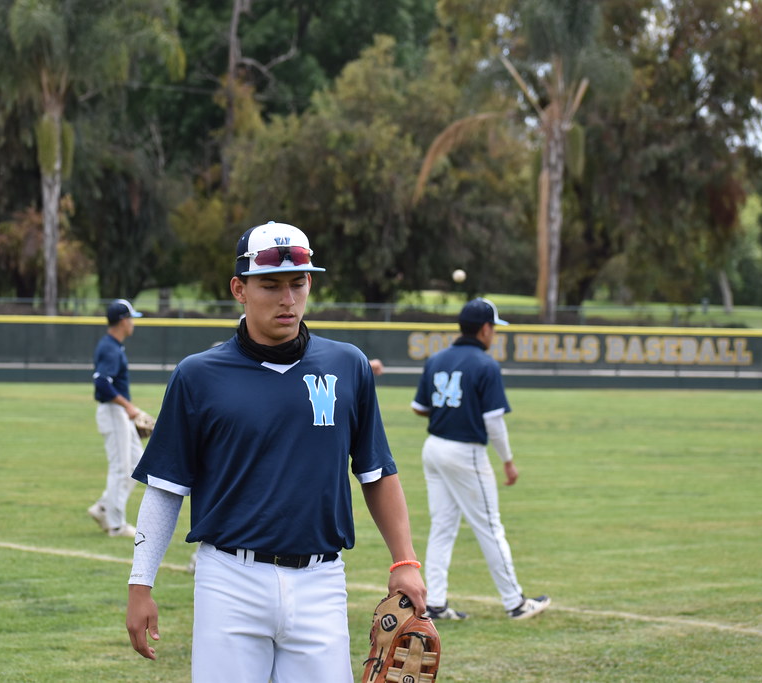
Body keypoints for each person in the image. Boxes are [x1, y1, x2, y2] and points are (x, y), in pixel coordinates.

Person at [125, 221, 426, 681]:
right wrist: (140, 585)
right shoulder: (197, 375)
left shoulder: (349, 365)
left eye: (297, 283)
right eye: (270, 285)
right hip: (229, 579)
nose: (287, 299)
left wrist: (405, 561)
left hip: (321, 581)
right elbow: (167, 488)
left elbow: (376, 472)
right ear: (239, 289)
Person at [411, 298, 550, 620]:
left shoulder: (437, 359)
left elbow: (419, 408)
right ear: (485, 329)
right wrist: (508, 460)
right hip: (465, 452)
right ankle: (515, 602)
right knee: (489, 525)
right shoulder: (486, 365)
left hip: (434, 448)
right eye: (494, 329)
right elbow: (493, 421)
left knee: (442, 527)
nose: (494, 335)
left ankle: (434, 604)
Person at [88, 298, 146, 538]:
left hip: (118, 412)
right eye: (131, 318)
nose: (133, 323)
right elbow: (101, 382)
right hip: (113, 412)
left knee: (136, 464)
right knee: (121, 468)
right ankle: (116, 525)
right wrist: (129, 408)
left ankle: (103, 507)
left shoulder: (113, 345)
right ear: (123, 321)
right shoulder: (110, 347)